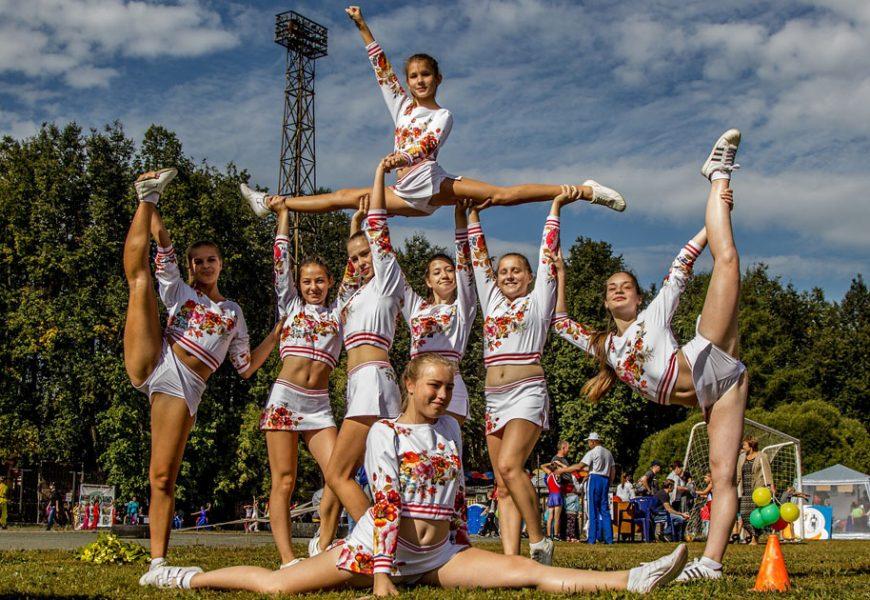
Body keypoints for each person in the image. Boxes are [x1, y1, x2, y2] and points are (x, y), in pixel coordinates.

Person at [140, 353, 688, 595]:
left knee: (523, 570)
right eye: (433, 387)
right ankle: (180, 576)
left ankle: (632, 579)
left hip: (437, 557)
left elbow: (451, 504)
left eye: (448, 388)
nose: (442, 395)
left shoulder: (450, 431)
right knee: (280, 588)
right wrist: (381, 578)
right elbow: (384, 509)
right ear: (409, 384)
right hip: (377, 553)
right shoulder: (384, 433)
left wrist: (465, 544)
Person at [552, 130, 749, 581]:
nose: (618, 289)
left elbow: (683, 262)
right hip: (715, 394)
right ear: (605, 302)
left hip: (707, 363)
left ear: (639, 297)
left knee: (727, 260)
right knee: (723, 477)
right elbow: (559, 323)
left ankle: (718, 174)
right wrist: (559, 273)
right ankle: (711, 567)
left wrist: (713, 219)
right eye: (610, 288)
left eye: (626, 285)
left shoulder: (654, 314)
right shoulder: (606, 345)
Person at [241, 7, 625, 219]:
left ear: (438, 78)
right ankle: (272, 203)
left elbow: (426, 146)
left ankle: (587, 190)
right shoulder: (402, 104)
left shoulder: (443, 115)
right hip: (405, 194)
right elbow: (381, 70)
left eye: (425, 75)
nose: (419, 80)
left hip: (431, 182)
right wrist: (362, 26)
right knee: (343, 196)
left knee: (503, 195)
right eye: (413, 76)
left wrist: (401, 157)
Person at [122, 168, 282, 571]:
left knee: (163, 476)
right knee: (140, 281)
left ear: (221, 264)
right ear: (190, 266)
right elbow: (161, 250)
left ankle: (157, 562)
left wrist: (279, 332)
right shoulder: (179, 288)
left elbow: (245, 367)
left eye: (211, 260)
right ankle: (147, 194)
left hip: (185, 384)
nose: (205, 265)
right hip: (158, 356)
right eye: (198, 261)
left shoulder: (232, 313)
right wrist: (155, 218)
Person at [468, 183, 597, 563]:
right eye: (503, 271)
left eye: (516, 271)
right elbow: (477, 257)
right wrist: (473, 213)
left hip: (527, 392)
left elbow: (547, 252)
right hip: (493, 398)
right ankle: (511, 559)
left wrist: (555, 206)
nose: (508, 276)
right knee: (502, 483)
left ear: (529, 276)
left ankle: (540, 541)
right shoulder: (490, 300)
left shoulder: (539, 300)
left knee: (511, 466)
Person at [321, 156, 409, 555]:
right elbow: (345, 278)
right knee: (378, 472)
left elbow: (379, 231)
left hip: (374, 377)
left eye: (365, 255)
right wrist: (353, 231)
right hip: (359, 383)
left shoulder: (387, 282)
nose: (359, 262)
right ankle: (383, 541)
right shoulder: (353, 296)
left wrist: (377, 178)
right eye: (354, 258)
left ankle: (379, 542)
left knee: (338, 472)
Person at [260, 197, 344, 565]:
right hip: (285, 399)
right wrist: (283, 216)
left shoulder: (340, 312)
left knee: (339, 475)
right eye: (307, 281)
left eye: (319, 281)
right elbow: (281, 263)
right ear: (299, 284)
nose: (313, 287)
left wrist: (359, 218)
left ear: (329, 283)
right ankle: (286, 558)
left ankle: (323, 542)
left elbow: (360, 272)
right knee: (284, 481)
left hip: (319, 405)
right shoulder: (290, 306)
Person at [400, 200, 477, 424]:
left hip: (449, 386)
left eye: (448, 270)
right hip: (418, 385)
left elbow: (466, 265)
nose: (444, 275)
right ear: (428, 281)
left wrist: (460, 219)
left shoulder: (463, 306)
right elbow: (391, 270)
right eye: (437, 272)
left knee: (446, 451)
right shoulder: (415, 307)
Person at [556, 433, 616, 545]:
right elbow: (613, 470)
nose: (588, 443)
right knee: (605, 510)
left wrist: (562, 470)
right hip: (605, 480)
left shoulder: (592, 452)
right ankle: (609, 539)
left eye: (589, 441)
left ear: (593, 441)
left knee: (592, 510)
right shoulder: (608, 453)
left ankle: (592, 539)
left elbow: (579, 466)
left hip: (595, 479)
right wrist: (609, 482)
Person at [736, 435, 773, 545]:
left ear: (751, 445)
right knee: (744, 515)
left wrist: (770, 486)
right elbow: (738, 474)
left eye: (744, 444)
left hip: (758, 490)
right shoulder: (741, 457)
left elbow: (767, 472)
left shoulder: (762, 456)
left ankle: (754, 537)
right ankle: (754, 534)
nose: (743, 446)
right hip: (745, 490)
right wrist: (734, 485)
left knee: (755, 514)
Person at [541, 463, 563, 541]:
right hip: (557, 496)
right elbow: (566, 468)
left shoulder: (549, 474)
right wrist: (559, 463)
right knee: (556, 517)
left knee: (550, 517)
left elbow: (542, 466)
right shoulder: (557, 474)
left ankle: (549, 535)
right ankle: (556, 535)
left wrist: (550, 463)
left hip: (550, 496)